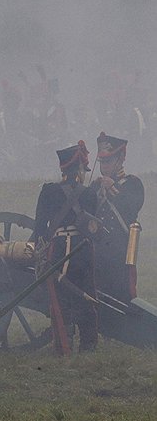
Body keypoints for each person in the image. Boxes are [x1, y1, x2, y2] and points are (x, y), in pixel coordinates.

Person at [32, 141, 99, 354]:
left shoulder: (48, 192)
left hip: (59, 249)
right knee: (85, 292)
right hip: (82, 250)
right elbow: (93, 226)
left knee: (60, 296)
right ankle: (88, 343)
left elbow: (40, 227)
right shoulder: (89, 194)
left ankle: (64, 340)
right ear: (79, 168)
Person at [92, 132, 144, 303]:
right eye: (102, 162)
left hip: (120, 255)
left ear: (121, 158)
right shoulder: (96, 186)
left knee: (122, 299)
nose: (104, 166)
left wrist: (112, 188)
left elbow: (130, 209)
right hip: (97, 253)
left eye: (108, 161)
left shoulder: (133, 184)